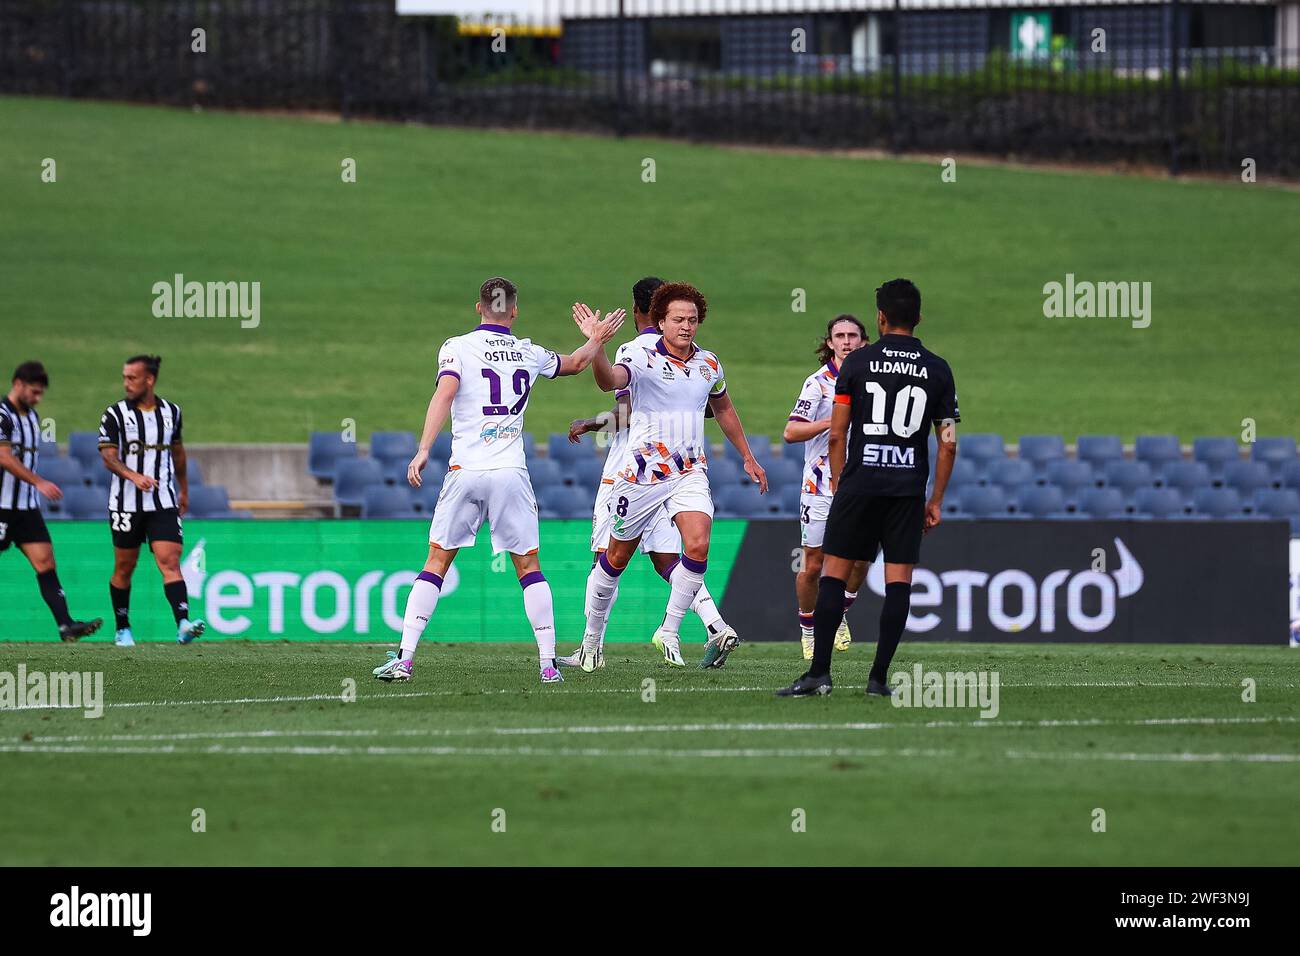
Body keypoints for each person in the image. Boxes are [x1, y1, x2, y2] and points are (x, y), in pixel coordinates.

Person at [372, 277, 625, 684]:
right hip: (510, 472)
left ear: (479, 307)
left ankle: (405, 659)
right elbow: (577, 363)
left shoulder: (456, 347)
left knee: (437, 562)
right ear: (514, 311)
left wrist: (422, 450)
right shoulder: (528, 351)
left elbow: (445, 395)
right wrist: (595, 338)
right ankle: (547, 665)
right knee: (528, 567)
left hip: (466, 470)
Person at [573, 282, 767, 671]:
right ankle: (591, 642)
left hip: (690, 471)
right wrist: (597, 345)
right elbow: (610, 380)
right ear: (660, 321)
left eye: (693, 320)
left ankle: (670, 629)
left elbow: (724, 409)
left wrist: (748, 456)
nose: (686, 326)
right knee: (614, 559)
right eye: (678, 319)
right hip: (641, 474)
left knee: (697, 546)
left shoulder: (709, 364)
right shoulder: (638, 353)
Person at [778, 279, 959, 698]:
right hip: (907, 490)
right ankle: (878, 679)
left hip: (859, 485)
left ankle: (818, 674)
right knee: (899, 583)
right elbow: (947, 442)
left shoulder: (859, 365)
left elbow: (838, 434)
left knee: (833, 575)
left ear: (879, 318)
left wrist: (842, 483)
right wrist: (935, 499)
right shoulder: (939, 369)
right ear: (919, 318)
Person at [97, 355, 205, 647]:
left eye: (132, 377)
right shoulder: (115, 414)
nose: (126, 383)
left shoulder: (172, 412)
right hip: (126, 504)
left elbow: (178, 452)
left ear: (150, 380)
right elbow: (108, 456)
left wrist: (183, 489)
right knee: (124, 568)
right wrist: (133, 476)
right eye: (124, 377)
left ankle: (183, 624)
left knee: (170, 562)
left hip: (163, 501)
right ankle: (123, 628)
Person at [784, 315, 870, 660]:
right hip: (820, 486)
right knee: (813, 564)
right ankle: (808, 628)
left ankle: (839, 614)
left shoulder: (873, 382)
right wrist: (831, 421)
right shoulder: (818, 384)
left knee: (862, 559)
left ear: (863, 342)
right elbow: (791, 432)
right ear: (830, 343)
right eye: (840, 336)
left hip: (861, 483)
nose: (847, 341)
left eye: (853, 336)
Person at [0, 361, 102, 640]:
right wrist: (39, 482)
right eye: (34, 392)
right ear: (18, 384)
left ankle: (66, 625)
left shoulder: (32, 417)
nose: (37, 398)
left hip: (25, 508)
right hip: (1, 505)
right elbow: (3, 456)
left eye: (40, 393)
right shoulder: (2, 415)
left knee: (45, 562)